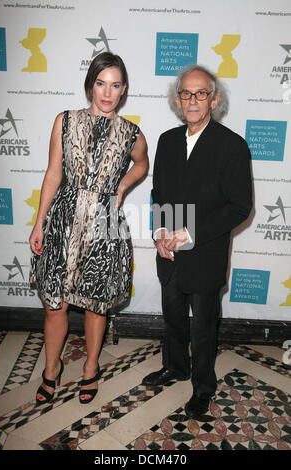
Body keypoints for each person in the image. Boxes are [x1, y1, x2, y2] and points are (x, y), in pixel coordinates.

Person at [29, 52, 149, 405]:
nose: (107, 93)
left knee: (97, 305)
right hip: (63, 220)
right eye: (100, 83)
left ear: (123, 90)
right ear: (90, 84)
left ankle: (90, 368)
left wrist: (123, 185)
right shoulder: (64, 121)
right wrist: (39, 223)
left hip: (104, 225)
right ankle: (52, 370)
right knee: (54, 305)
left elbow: (142, 165)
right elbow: (53, 173)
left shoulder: (131, 133)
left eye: (115, 85)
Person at [142, 65, 252, 419]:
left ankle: (203, 388)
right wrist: (159, 231)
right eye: (186, 93)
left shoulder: (232, 146)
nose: (193, 100)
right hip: (169, 253)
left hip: (205, 253)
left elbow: (240, 206)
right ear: (178, 100)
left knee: (203, 329)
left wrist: (191, 233)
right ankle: (175, 367)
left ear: (214, 99)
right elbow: (159, 193)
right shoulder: (166, 140)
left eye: (201, 93)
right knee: (173, 318)